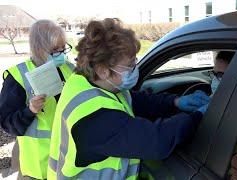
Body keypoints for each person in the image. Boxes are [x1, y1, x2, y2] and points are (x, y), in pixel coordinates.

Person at [47, 18, 209, 180]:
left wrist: (175, 101)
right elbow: (157, 141)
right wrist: (198, 116)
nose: (135, 69)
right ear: (103, 70)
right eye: (130, 65)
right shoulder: (97, 119)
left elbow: (134, 100)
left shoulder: (83, 81)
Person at [0, 20, 74, 179]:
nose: (61, 53)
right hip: (39, 169)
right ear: (39, 49)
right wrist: (30, 111)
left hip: (69, 162)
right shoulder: (17, 77)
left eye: (63, 47)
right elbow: (7, 124)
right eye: (55, 49)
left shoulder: (69, 68)